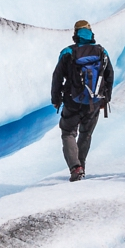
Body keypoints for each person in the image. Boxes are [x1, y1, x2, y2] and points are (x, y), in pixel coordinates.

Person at [50, 20, 115, 182]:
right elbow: (109, 75)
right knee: (86, 133)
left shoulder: (67, 52)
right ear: (90, 33)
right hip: (94, 100)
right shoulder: (101, 51)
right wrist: (105, 99)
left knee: (68, 133)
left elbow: (57, 77)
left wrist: (56, 99)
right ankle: (81, 166)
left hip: (72, 100)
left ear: (76, 34)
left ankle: (75, 167)